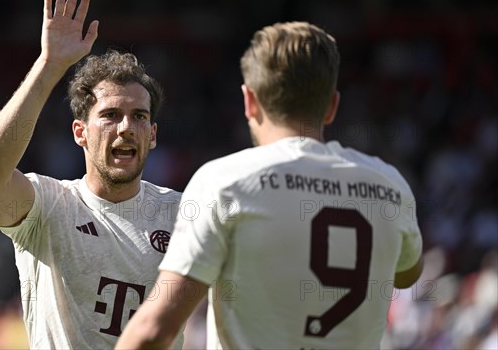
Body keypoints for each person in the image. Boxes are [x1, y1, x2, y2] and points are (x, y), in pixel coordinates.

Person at [116, 21, 424, 349]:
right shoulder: (390, 186)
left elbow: (155, 331)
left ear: (249, 101)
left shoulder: (225, 182)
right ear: (332, 106)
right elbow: (407, 272)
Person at [0, 0, 183, 349]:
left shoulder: (183, 214)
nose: (127, 127)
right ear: (80, 132)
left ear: (153, 135)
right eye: (111, 115)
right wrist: (49, 65)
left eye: (140, 116)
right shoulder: (50, 206)